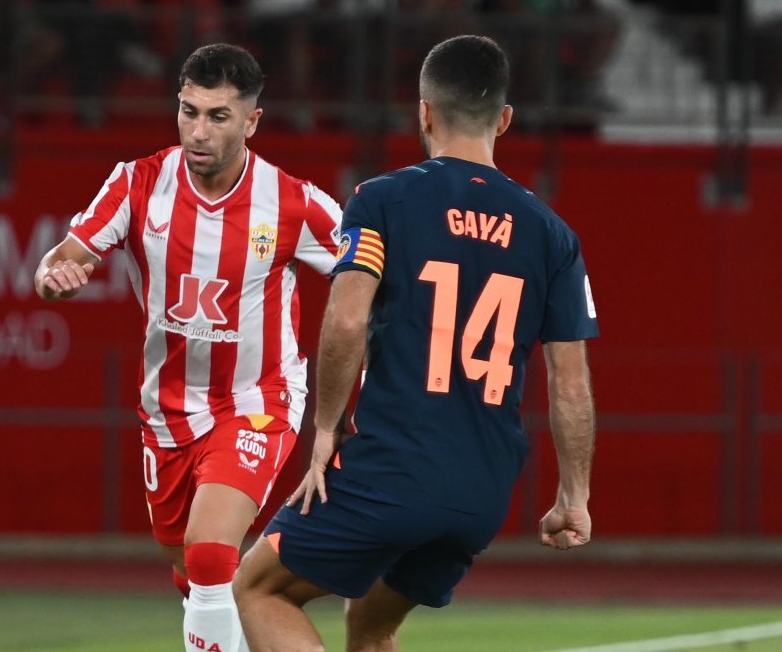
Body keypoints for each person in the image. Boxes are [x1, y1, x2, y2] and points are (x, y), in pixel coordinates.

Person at [233, 34, 599, 652]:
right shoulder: (552, 234)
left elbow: (347, 322)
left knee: (257, 589)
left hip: (392, 469)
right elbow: (571, 383)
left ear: (423, 111)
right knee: (371, 625)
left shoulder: (382, 199)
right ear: (504, 120)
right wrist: (575, 496)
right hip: (480, 493)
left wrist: (323, 430)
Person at [34, 43, 343, 652]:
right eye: (188, 111)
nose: (198, 132)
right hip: (168, 412)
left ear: (252, 121)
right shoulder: (135, 183)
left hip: (260, 398)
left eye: (218, 116)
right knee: (194, 569)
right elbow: (59, 260)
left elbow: (367, 267)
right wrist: (55, 278)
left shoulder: (293, 202)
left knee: (207, 552)